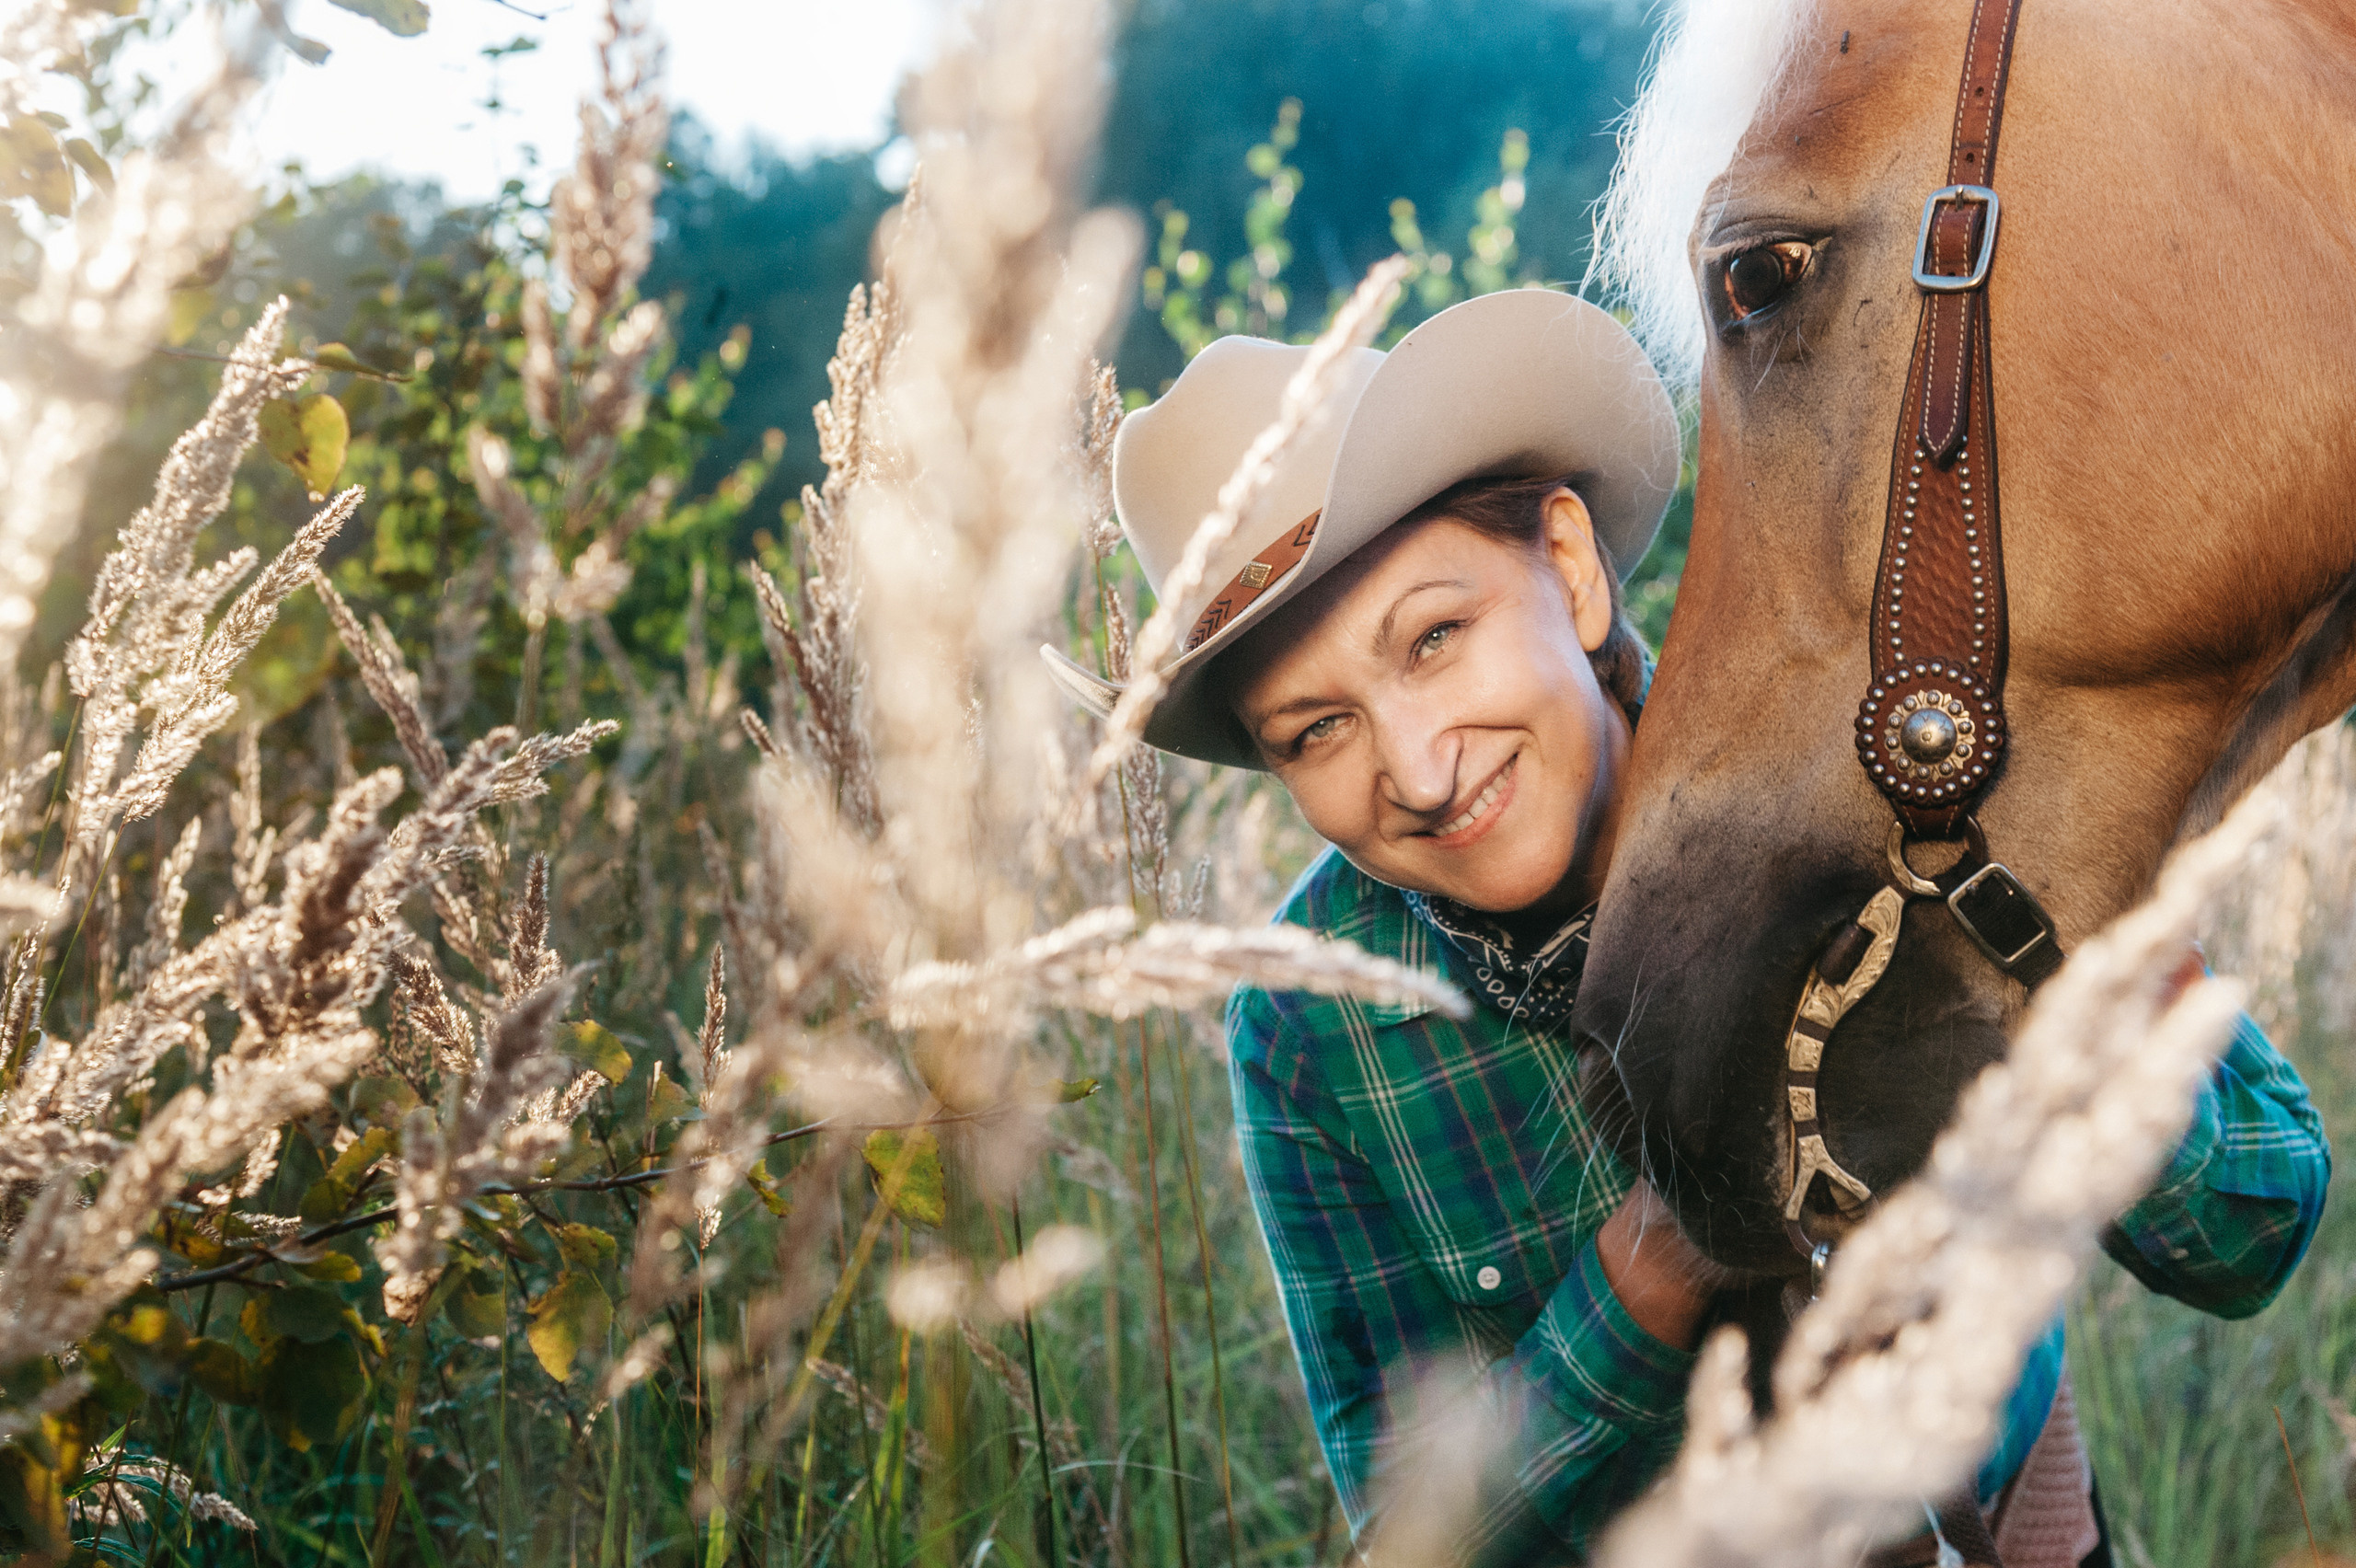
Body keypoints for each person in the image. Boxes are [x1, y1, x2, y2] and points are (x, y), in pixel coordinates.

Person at [1042, 290, 2328, 1566]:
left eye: (1435, 637)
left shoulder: (1876, 772)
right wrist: (1656, 1266)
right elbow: (1416, 1539)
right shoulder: (1312, 1031)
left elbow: (2250, 1233)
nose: (1422, 770)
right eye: (1316, 730)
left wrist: (2005, 973)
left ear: (1569, 565)